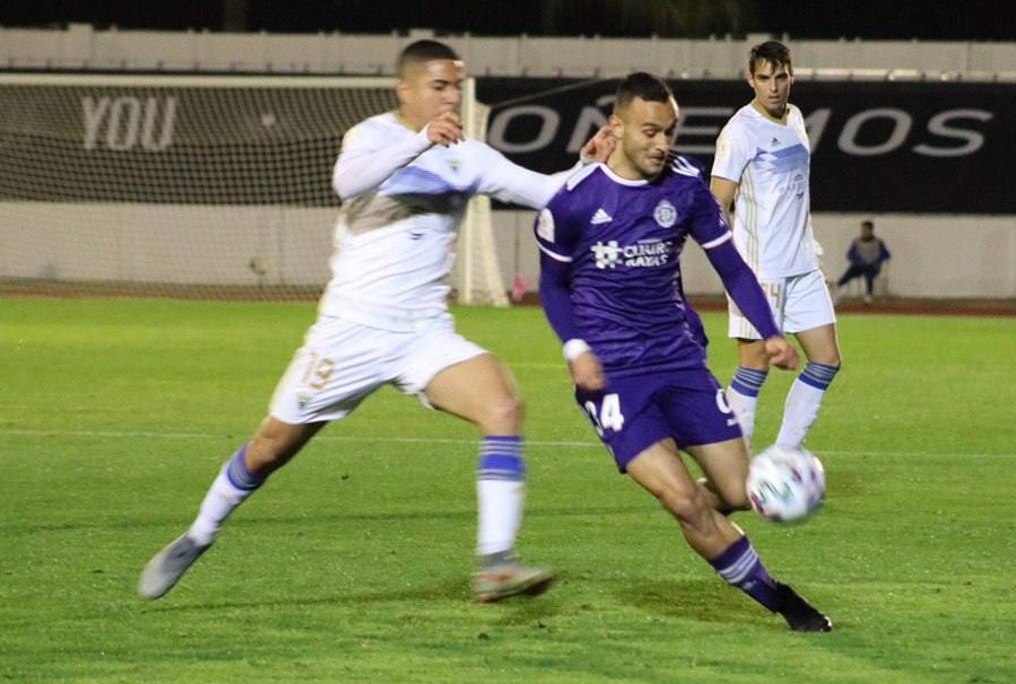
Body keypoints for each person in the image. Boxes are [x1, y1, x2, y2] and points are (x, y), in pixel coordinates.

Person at [138, 39, 612, 603]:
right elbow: (348, 183)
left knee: (503, 405)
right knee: (269, 447)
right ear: (405, 89)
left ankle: (495, 563)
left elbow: (549, 195)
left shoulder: (471, 154)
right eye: (438, 85)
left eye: (454, 85)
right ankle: (199, 534)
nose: (449, 96)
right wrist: (417, 144)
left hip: (423, 333)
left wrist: (586, 166)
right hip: (351, 331)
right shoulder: (372, 137)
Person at [535, 72, 833, 632]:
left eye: (670, 132)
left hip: (679, 362)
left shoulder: (685, 185)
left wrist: (770, 333)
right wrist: (575, 348)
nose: (662, 144)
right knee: (686, 502)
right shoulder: (574, 203)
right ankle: (781, 600)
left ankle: (695, 514)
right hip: (614, 377)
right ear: (617, 127)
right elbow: (552, 286)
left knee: (736, 494)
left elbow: (731, 266)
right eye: (650, 132)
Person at [710, 40, 841, 451]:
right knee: (753, 370)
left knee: (826, 360)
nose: (773, 87)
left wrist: (812, 250)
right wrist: (735, 271)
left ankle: (781, 458)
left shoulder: (797, 118)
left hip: (802, 266)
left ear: (791, 76)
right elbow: (715, 204)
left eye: (780, 77)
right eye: (764, 78)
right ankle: (736, 470)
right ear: (751, 79)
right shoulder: (740, 131)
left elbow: (795, 194)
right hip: (760, 271)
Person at [837, 220, 891, 303]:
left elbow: (886, 254)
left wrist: (877, 260)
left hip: (873, 267)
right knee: (850, 271)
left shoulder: (878, 242)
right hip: (860, 266)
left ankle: (868, 295)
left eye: (865, 230)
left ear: (871, 230)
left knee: (868, 274)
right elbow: (850, 254)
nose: (863, 232)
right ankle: (836, 288)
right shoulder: (857, 241)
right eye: (862, 230)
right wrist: (857, 260)